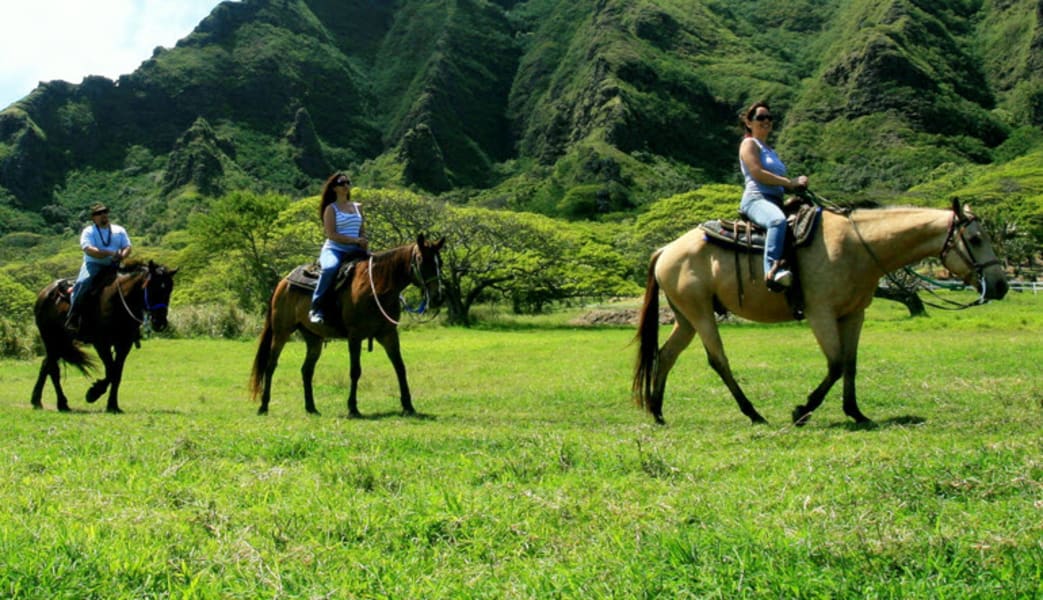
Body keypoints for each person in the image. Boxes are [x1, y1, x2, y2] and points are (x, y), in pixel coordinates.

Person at [738, 101, 808, 290]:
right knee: (777, 221)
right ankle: (772, 271)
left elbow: (780, 181)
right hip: (756, 199)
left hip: (776, 200)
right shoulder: (749, 143)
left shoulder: (770, 151)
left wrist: (796, 185)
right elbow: (758, 173)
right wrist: (789, 182)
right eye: (760, 117)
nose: (766, 120)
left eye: (769, 117)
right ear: (749, 122)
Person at [309, 173, 369, 324]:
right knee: (330, 268)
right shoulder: (331, 209)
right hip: (335, 249)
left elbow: (361, 229)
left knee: (380, 266)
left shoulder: (358, 207)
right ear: (335, 188)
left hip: (356, 250)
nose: (346, 186)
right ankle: (316, 307)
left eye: (348, 183)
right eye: (342, 183)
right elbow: (332, 234)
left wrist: (363, 240)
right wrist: (354, 240)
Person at [66, 203, 132, 332]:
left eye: (105, 212)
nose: (103, 215)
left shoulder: (119, 230)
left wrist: (122, 256)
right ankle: (73, 316)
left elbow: (127, 246)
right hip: (94, 265)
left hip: (115, 265)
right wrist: (109, 253)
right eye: (99, 213)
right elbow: (89, 250)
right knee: (83, 283)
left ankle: (137, 322)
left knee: (135, 283)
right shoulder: (89, 231)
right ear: (93, 218)